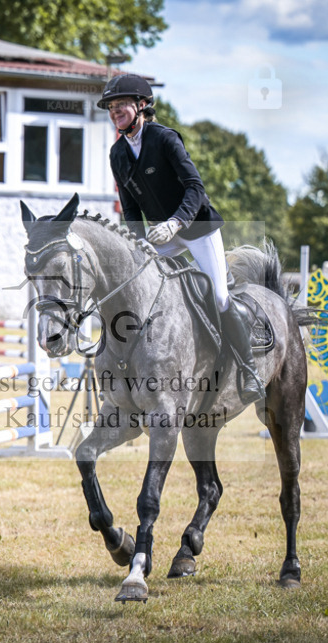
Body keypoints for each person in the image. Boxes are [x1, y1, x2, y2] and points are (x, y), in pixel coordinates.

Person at [97, 73, 265, 404]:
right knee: (138, 288)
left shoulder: (165, 139)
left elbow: (195, 189)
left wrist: (176, 223)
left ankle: (248, 371)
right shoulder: (117, 154)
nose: (115, 111)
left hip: (197, 228)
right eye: (111, 107)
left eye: (121, 106)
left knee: (218, 297)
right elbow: (130, 209)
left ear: (141, 105)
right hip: (159, 236)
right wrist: (139, 241)